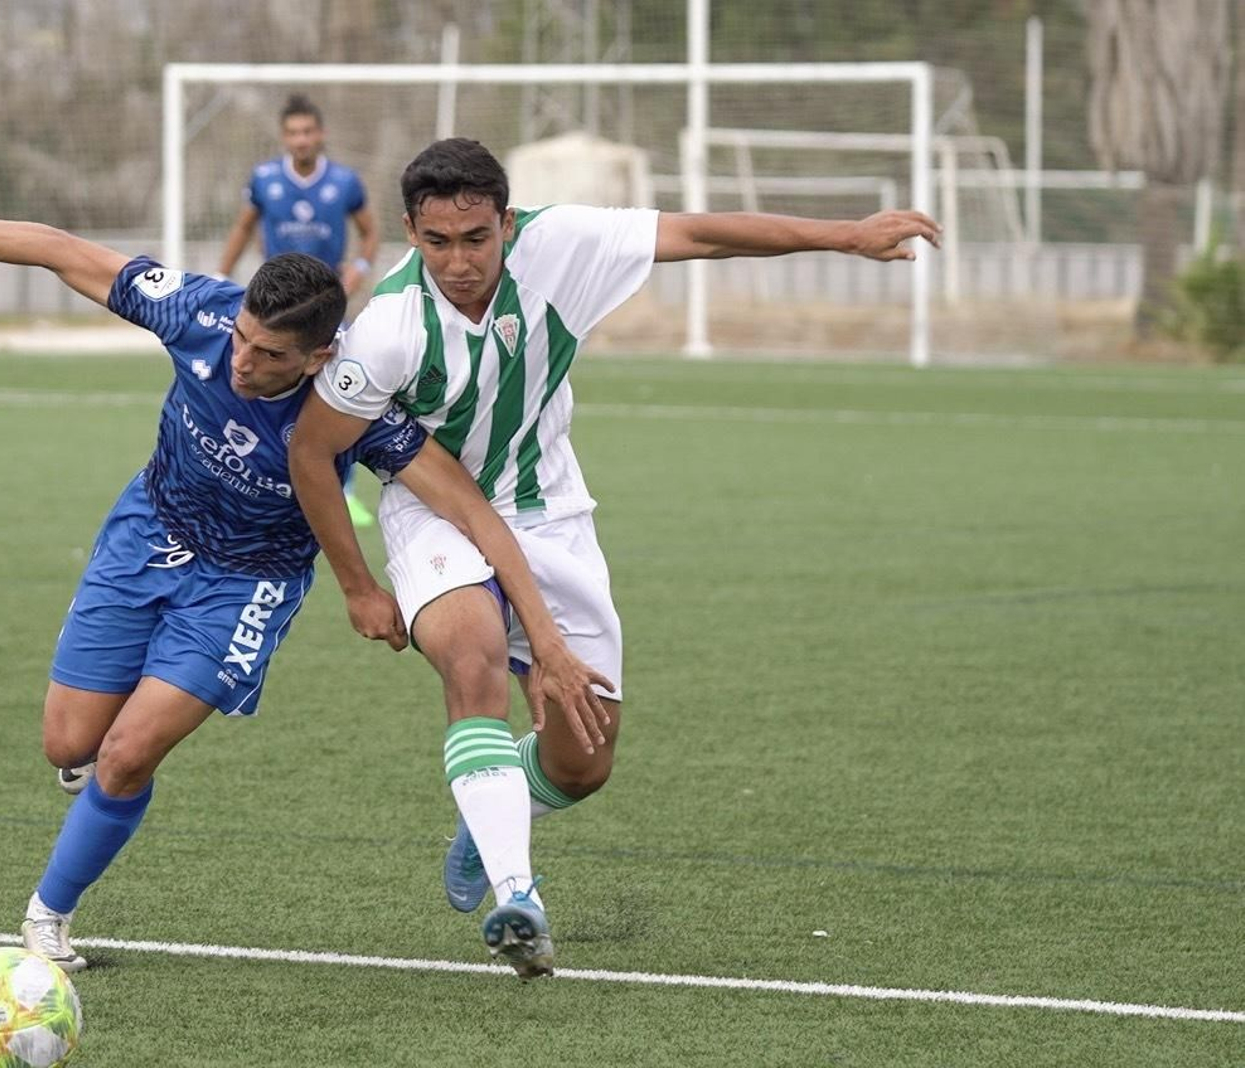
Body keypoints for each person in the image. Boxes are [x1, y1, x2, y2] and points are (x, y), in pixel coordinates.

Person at [0, 157, 611, 975]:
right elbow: (59, 249)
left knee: (128, 754)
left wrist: (486, 621)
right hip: (146, 533)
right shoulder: (200, 313)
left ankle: (46, 918)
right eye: (242, 339)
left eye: (269, 355)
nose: (241, 361)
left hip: (247, 584)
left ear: (318, 358)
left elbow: (473, 511)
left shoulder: (355, 402)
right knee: (69, 741)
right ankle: (100, 773)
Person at [287, 137, 942, 977]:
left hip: (550, 514)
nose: (457, 261)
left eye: (476, 239)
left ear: (507, 225)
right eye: (437, 242)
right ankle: (517, 895)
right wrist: (356, 585)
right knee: (472, 656)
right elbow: (313, 452)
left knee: (583, 761)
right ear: (411, 232)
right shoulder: (386, 329)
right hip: (434, 516)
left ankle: (494, 807)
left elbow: (700, 235)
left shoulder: (561, 248)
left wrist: (844, 235)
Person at [217, 93, 381, 528]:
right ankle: (264, 482)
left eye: (308, 131)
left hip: (324, 309)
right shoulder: (265, 179)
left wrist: (358, 271)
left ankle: (343, 490)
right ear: (283, 137)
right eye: (293, 132)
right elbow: (244, 226)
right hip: (272, 311)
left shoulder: (344, 183)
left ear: (320, 134)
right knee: (258, 389)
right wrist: (220, 276)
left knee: (335, 396)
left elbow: (369, 234)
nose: (301, 139)